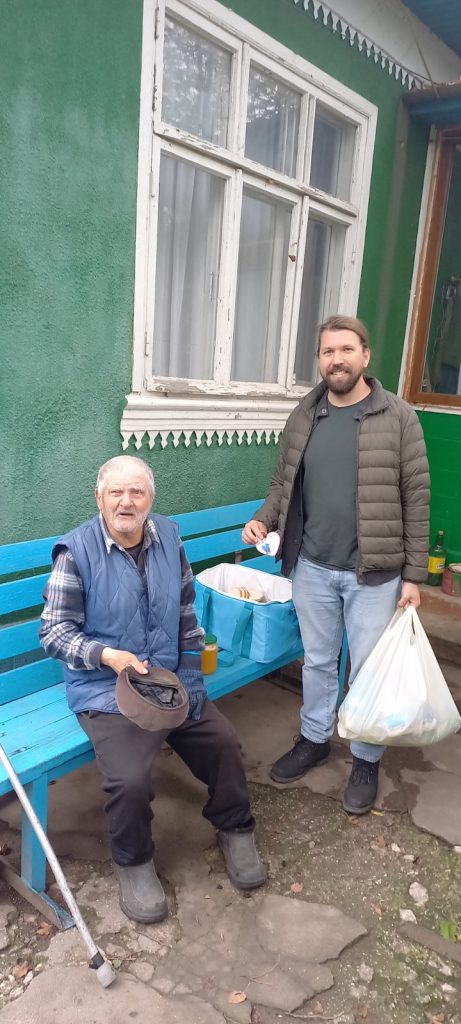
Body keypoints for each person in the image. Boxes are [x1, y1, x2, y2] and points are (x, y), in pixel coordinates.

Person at [40, 455, 266, 924]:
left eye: (137, 493)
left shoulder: (168, 538)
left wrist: (191, 678)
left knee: (223, 743)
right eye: (116, 493)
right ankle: (134, 861)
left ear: (150, 499)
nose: (127, 502)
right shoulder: (76, 552)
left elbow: (186, 613)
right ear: (98, 498)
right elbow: (54, 632)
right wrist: (107, 656)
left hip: (166, 680)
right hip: (106, 688)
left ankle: (235, 827)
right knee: (129, 779)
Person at [242, 315, 430, 815]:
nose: (337, 359)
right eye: (327, 352)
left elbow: (416, 497)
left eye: (346, 349)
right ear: (320, 360)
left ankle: (366, 757)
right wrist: (263, 520)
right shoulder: (305, 414)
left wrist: (414, 576)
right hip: (312, 566)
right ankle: (315, 737)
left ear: (366, 356)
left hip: (375, 573)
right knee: (319, 661)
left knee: (367, 670)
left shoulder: (399, 417)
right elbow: (282, 484)